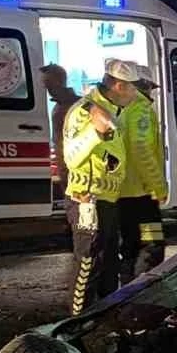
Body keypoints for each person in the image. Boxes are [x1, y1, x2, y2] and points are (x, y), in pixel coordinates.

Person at [62, 60, 138, 313]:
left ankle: (104, 320)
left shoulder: (110, 109)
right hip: (87, 200)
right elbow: (71, 157)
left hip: (107, 200)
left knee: (108, 267)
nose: (136, 94)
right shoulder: (85, 112)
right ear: (119, 86)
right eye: (133, 88)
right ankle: (76, 324)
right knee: (88, 265)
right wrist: (95, 133)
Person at [114, 62, 169, 284]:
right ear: (143, 85)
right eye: (150, 88)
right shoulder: (141, 109)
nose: (151, 94)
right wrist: (159, 185)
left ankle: (126, 290)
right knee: (151, 244)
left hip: (122, 194)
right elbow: (141, 149)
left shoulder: (121, 109)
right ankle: (144, 289)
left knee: (129, 246)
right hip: (143, 197)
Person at [40, 63, 79, 201]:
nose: (47, 89)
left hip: (75, 168)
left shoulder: (77, 106)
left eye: (48, 85)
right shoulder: (59, 106)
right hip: (64, 167)